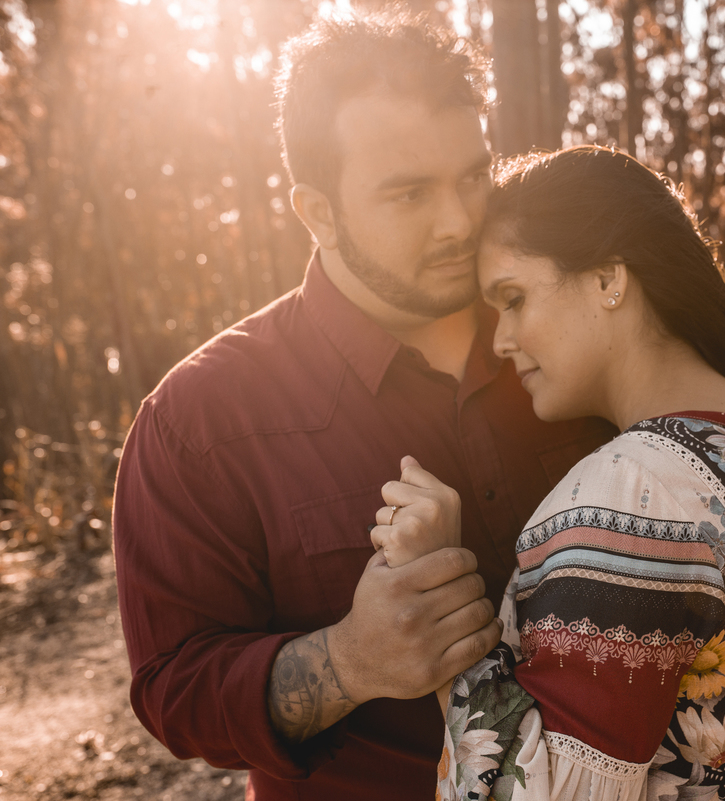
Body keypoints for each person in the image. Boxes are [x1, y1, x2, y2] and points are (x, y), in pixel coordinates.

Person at [111, 12, 612, 800]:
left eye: (472, 176)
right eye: (410, 193)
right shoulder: (199, 421)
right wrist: (346, 662)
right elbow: (175, 690)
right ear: (316, 211)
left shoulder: (582, 331)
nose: (459, 220)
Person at [373, 146, 725, 801]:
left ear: (609, 279)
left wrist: (445, 605)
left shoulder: (628, 502)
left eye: (514, 297)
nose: (501, 341)